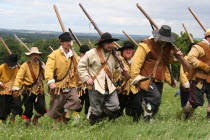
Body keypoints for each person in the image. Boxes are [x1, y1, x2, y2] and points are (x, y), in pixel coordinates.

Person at [130, 25, 183, 121]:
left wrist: (177, 55)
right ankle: (145, 112)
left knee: (156, 104)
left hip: (159, 78)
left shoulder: (167, 46)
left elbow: (169, 60)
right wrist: (136, 77)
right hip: (145, 77)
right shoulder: (146, 44)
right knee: (155, 98)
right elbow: (136, 62)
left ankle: (148, 119)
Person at [78, 32, 121, 125]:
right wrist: (86, 78)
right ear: (102, 43)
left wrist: (123, 70)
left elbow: (118, 67)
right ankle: (93, 127)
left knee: (115, 105)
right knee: (96, 110)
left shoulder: (114, 54)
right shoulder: (91, 53)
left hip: (109, 84)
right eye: (107, 43)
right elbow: (81, 66)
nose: (110, 45)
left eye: (111, 42)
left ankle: (100, 118)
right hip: (96, 84)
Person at [45, 32, 81, 128]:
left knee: (76, 101)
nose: (68, 43)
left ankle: (67, 117)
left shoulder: (73, 53)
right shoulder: (54, 55)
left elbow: (79, 65)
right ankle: (55, 126)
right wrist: (50, 81)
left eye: (69, 41)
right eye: (66, 41)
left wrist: (80, 79)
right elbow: (48, 69)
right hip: (58, 85)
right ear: (61, 42)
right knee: (57, 106)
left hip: (71, 84)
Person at [12, 47, 47, 127]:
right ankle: (27, 125)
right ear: (31, 55)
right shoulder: (25, 65)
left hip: (39, 90)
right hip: (28, 91)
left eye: (37, 55)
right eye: (34, 55)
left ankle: (36, 119)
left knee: (42, 107)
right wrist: (16, 88)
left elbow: (46, 77)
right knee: (28, 110)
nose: (35, 56)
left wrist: (45, 69)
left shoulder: (41, 65)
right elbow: (19, 77)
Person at [184, 29, 210, 119]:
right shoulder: (199, 47)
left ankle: (208, 120)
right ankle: (186, 115)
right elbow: (191, 58)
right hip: (199, 79)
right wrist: (204, 66)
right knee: (195, 101)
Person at [116, 41, 143, 122]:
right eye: (126, 49)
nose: (128, 51)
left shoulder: (136, 61)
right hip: (121, 89)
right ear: (122, 51)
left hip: (134, 89)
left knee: (138, 109)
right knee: (117, 110)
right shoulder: (118, 60)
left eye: (130, 49)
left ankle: (136, 123)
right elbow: (115, 71)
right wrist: (121, 72)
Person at [0, 54, 22, 124]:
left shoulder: (18, 68)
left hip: (15, 89)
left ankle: (12, 118)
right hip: (4, 90)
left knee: (18, 105)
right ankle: (3, 122)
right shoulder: (2, 67)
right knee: (4, 107)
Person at [76, 45, 90, 118]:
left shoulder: (90, 61)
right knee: (78, 104)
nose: (84, 54)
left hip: (89, 85)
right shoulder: (76, 61)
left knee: (89, 103)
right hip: (79, 87)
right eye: (83, 53)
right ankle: (76, 119)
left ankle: (87, 118)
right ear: (80, 53)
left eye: (85, 53)